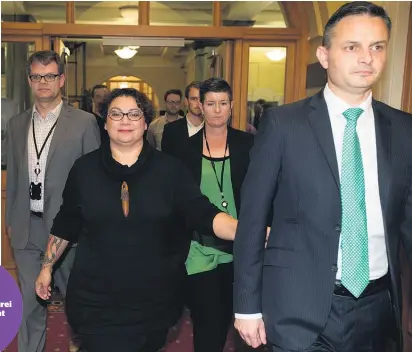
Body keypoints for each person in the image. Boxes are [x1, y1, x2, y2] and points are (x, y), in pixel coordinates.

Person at [233, 2, 412, 352]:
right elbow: (253, 219)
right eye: (352, 47)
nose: (366, 58)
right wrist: (247, 304)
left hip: (377, 308)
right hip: (296, 306)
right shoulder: (283, 125)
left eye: (377, 47)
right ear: (324, 55)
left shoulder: (407, 131)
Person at [34, 88, 238, 352]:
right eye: (116, 114)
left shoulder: (170, 170)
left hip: (153, 300)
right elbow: (66, 222)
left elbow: (203, 214)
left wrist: (247, 231)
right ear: (105, 123)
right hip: (95, 299)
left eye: (134, 114)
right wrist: (47, 268)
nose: (125, 121)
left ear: (145, 123)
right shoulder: (84, 169)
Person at [5, 50, 100, 352]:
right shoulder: (17, 124)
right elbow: (16, 178)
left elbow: (94, 180)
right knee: (29, 306)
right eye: (36, 76)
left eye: (49, 76)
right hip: (27, 229)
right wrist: (10, 223)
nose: (43, 82)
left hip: (70, 233)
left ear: (61, 79)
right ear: (29, 80)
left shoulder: (85, 123)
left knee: (79, 304)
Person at [176, 78, 254, 352]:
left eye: (223, 103)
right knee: (209, 330)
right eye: (211, 103)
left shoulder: (250, 145)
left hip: (245, 251)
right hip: (202, 251)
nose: (217, 110)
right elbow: (180, 205)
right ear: (200, 106)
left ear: (231, 106)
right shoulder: (184, 150)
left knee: (250, 332)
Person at [161, 81, 204, 156]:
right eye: (194, 99)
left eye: (202, 99)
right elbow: (166, 162)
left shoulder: (214, 129)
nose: (198, 103)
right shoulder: (170, 130)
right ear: (186, 101)